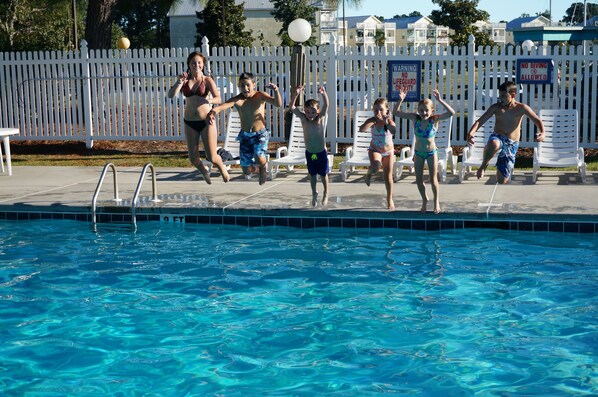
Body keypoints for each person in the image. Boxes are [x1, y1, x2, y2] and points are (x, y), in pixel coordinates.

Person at [207, 72, 283, 185]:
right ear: (239, 86)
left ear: (253, 85)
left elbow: (278, 104)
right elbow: (223, 106)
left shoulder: (260, 95)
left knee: (259, 156)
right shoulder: (238, 100)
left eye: (248, 85)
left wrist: (276, 91)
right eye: (242, 85)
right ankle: (257, 169)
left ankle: (263, 167)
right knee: (246, 170)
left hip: (260, 134)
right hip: (245, 136)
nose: (245, 88)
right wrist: (213, 111)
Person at [167, 51, 229, 183]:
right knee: (193, 158)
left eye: (199, 62)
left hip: (206, 121)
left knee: (212, 156)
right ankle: (204, 171)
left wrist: (209, 101)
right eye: (193, 63)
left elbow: (219, 98)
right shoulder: (184, 81)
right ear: (189, 65)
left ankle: (222, 168)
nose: (196, 65)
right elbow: (171, 95)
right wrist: (179, 82)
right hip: (190, 122)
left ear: (203, 64)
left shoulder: (207, 80)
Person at [467, 80, 545, 184]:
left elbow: (537, 120)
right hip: (497, 137)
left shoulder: (521, 108)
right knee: (494, 144)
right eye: (499, 95)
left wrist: (543, 133)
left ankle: (499, 169)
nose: (500, 98)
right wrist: (471, 133)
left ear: (513, 94)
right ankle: (484, 165)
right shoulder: (496, 107)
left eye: (503, 95)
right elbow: (480, 121)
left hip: (511, 143)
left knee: (502, 180)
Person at [393, 89, 455, 214]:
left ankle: (436, 201)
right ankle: (424, 200)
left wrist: (439, 100)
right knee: (419, 180)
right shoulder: (415, 119)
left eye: (426, 110)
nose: (424, 113)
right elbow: (395, 112)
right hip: (418, 153)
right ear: (418, 110)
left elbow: (451, 113)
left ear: (432, 111)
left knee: (433, 180)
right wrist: (401, 99)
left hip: (432, 153)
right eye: (421, 110)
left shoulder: (434, 120)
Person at [289, 85, 330, 207]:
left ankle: (326, 193)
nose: (310, 114)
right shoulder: (303, 119)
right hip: (311, 154)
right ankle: (314, 193)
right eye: (307, 112)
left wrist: (323, 94)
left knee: (323, 174)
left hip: (321, 153)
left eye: (313, 112)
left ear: (317, 111)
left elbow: (327, 105)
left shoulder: (320, 118)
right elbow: (292, 107)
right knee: (312, 175)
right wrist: (296, 94)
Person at [360, 97, 397, 210]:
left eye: (381, 109)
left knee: (388, 177)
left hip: (388, 152)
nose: (378, 112)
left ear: (386, 110)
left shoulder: (389, 121)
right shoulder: (372, 120)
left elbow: (394, 131)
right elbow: (362, 129)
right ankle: (370, 173)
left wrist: (387, 123)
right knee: (376, 166)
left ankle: (389, 199)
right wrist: (372, 121)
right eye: (376, 110)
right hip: (375, 149)